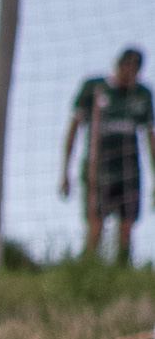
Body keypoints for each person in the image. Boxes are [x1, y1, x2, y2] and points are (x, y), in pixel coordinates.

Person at [61, 48, 153, 265]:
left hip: (128, 171)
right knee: (95, 224)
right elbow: (73, 129)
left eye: (135, 71)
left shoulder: (142, 95)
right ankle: (88, 268)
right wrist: (65, 171)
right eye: (126, 69)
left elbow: (150, 136)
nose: (129, 75)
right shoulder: (94, 88)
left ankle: (122, 269)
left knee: (126, 226)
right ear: (118, 66)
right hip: (98, 169)